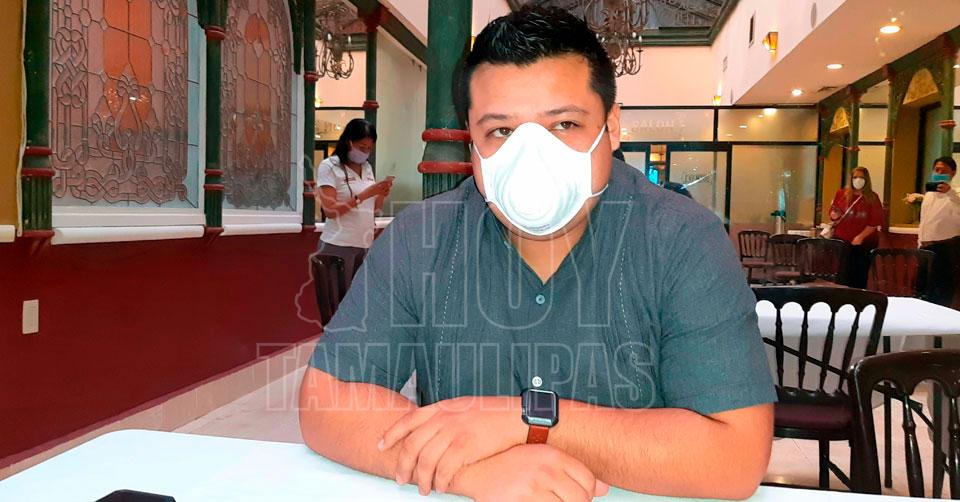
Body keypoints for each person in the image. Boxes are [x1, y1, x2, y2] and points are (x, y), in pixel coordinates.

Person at [300, 7, 774, 501]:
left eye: (564, 123)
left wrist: (526, 422)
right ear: (471, 139)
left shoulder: (682, 239)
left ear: (611, 127)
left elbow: (734, 457)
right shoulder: (421, 237)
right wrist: (468, 472)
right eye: (501, 131)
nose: (532, 156)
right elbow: (326, 399)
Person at [315, 119, 394, 287]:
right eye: (361, 147)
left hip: (364, 244)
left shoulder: (366, 167)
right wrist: (363, 196)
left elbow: (375, 209)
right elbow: (330, 210)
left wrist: (381, 194)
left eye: (369, 149)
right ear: (348, 142)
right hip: (338, 244)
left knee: (360, 298)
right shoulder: (329, 166)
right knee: (339, 298)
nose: (365, 152)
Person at [827, 167, 884, 288]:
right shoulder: (841, 194)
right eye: (855, 177)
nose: (858, 180)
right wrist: (834, 215)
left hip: (864, 244)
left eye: (861, 178)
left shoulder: (872, 197)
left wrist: (861, 237)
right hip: (842, 242)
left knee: (859, 275)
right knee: (842, 275)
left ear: (866, 180)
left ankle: (857, 297)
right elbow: (833, 214)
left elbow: (875, 222)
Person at [917, 156, 960, 307]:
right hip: (925, 248)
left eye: (944, 171)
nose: (939, 173)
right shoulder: (929, 194)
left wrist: (950, 193)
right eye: (937, 170)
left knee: (942, 291)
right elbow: (924, 221)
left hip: (946, 248)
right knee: (923, 290)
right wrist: (919, 243)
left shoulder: (956, 194)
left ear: (953, 173)